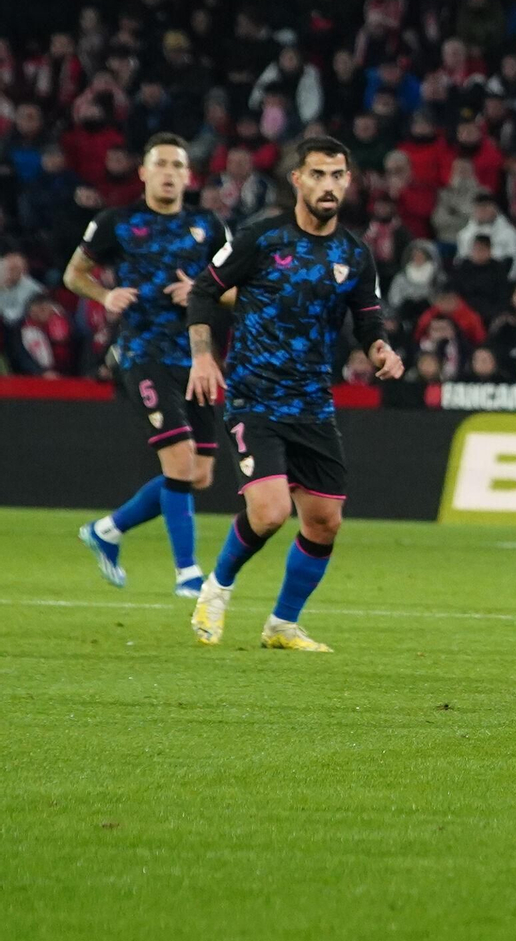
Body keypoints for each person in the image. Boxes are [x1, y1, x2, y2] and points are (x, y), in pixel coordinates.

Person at [185, 136, 404, 651]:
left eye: (338, 176)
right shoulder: (260, 237)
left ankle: (282, 624)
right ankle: (216, 590)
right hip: (254, 397)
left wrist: (381, 352)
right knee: (269, 512)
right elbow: (203, 290)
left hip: (312, 405)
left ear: (348, 182)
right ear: (298, 180)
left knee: (325, 523)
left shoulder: (355, 254)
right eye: (319, 175)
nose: (329, 185)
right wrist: (201, 354)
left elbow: (368, 323)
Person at [67, 134, 231, 597]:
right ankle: (187, 575)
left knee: (199, 474)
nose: (168, 172)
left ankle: (107, 530)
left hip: (196, 358)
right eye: (159, 163)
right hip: (142, 353)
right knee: (179, 462)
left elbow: (237, 285)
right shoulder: (117, 223)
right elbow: (73, 273)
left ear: (188, 175)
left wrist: (201, 290)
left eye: (177, 165)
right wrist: (105, 295)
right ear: (143, 172)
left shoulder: (209, 226)